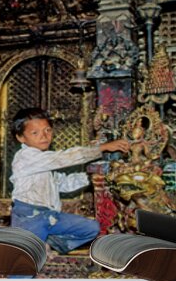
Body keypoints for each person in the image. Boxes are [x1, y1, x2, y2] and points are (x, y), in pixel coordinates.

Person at [10, 107, 129, 254]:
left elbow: (63, 183)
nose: (44, 136)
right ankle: (38, 248)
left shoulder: (45, 160)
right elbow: (64, 158)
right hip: (29, 218)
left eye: (47, 130)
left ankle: (51, 242)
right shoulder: (26, 157)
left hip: (51, 216)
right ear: (21, 138)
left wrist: (90, 177)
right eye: (35, 133)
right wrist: (102, 148)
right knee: (25, 264)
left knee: (91, 228)